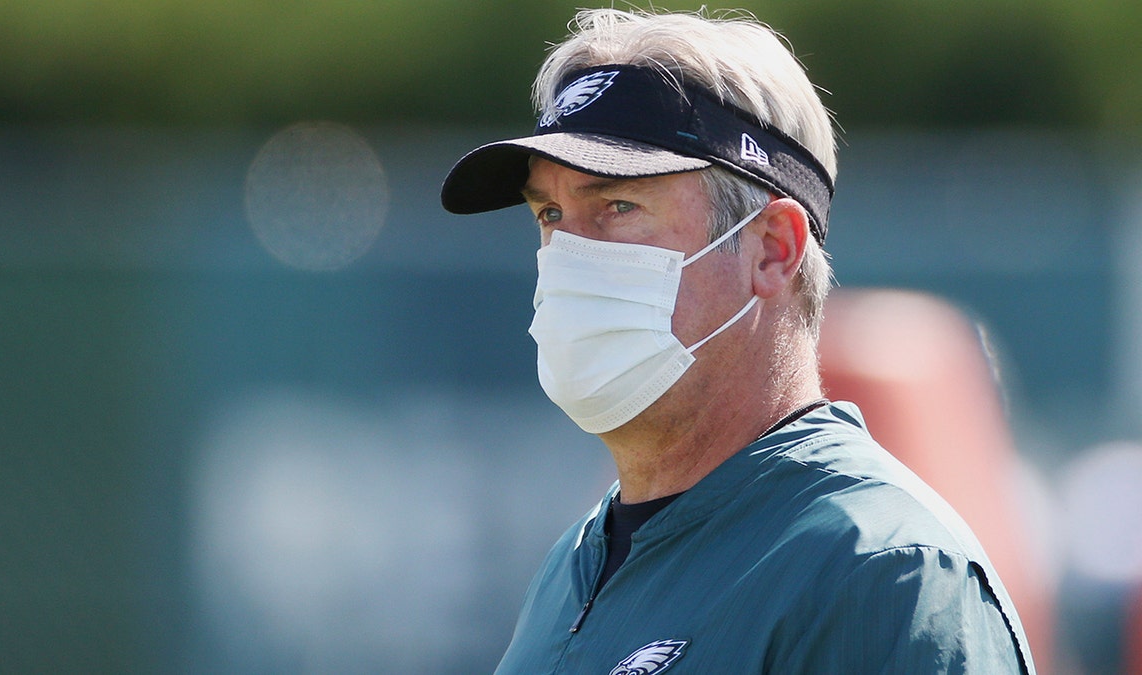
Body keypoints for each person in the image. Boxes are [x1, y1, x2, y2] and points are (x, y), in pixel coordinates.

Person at [440, 8, 1036, 674]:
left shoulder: (881, 572)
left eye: (617, 206)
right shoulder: (571, 567)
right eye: (550, 214)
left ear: (772, 250)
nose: (569, 254)